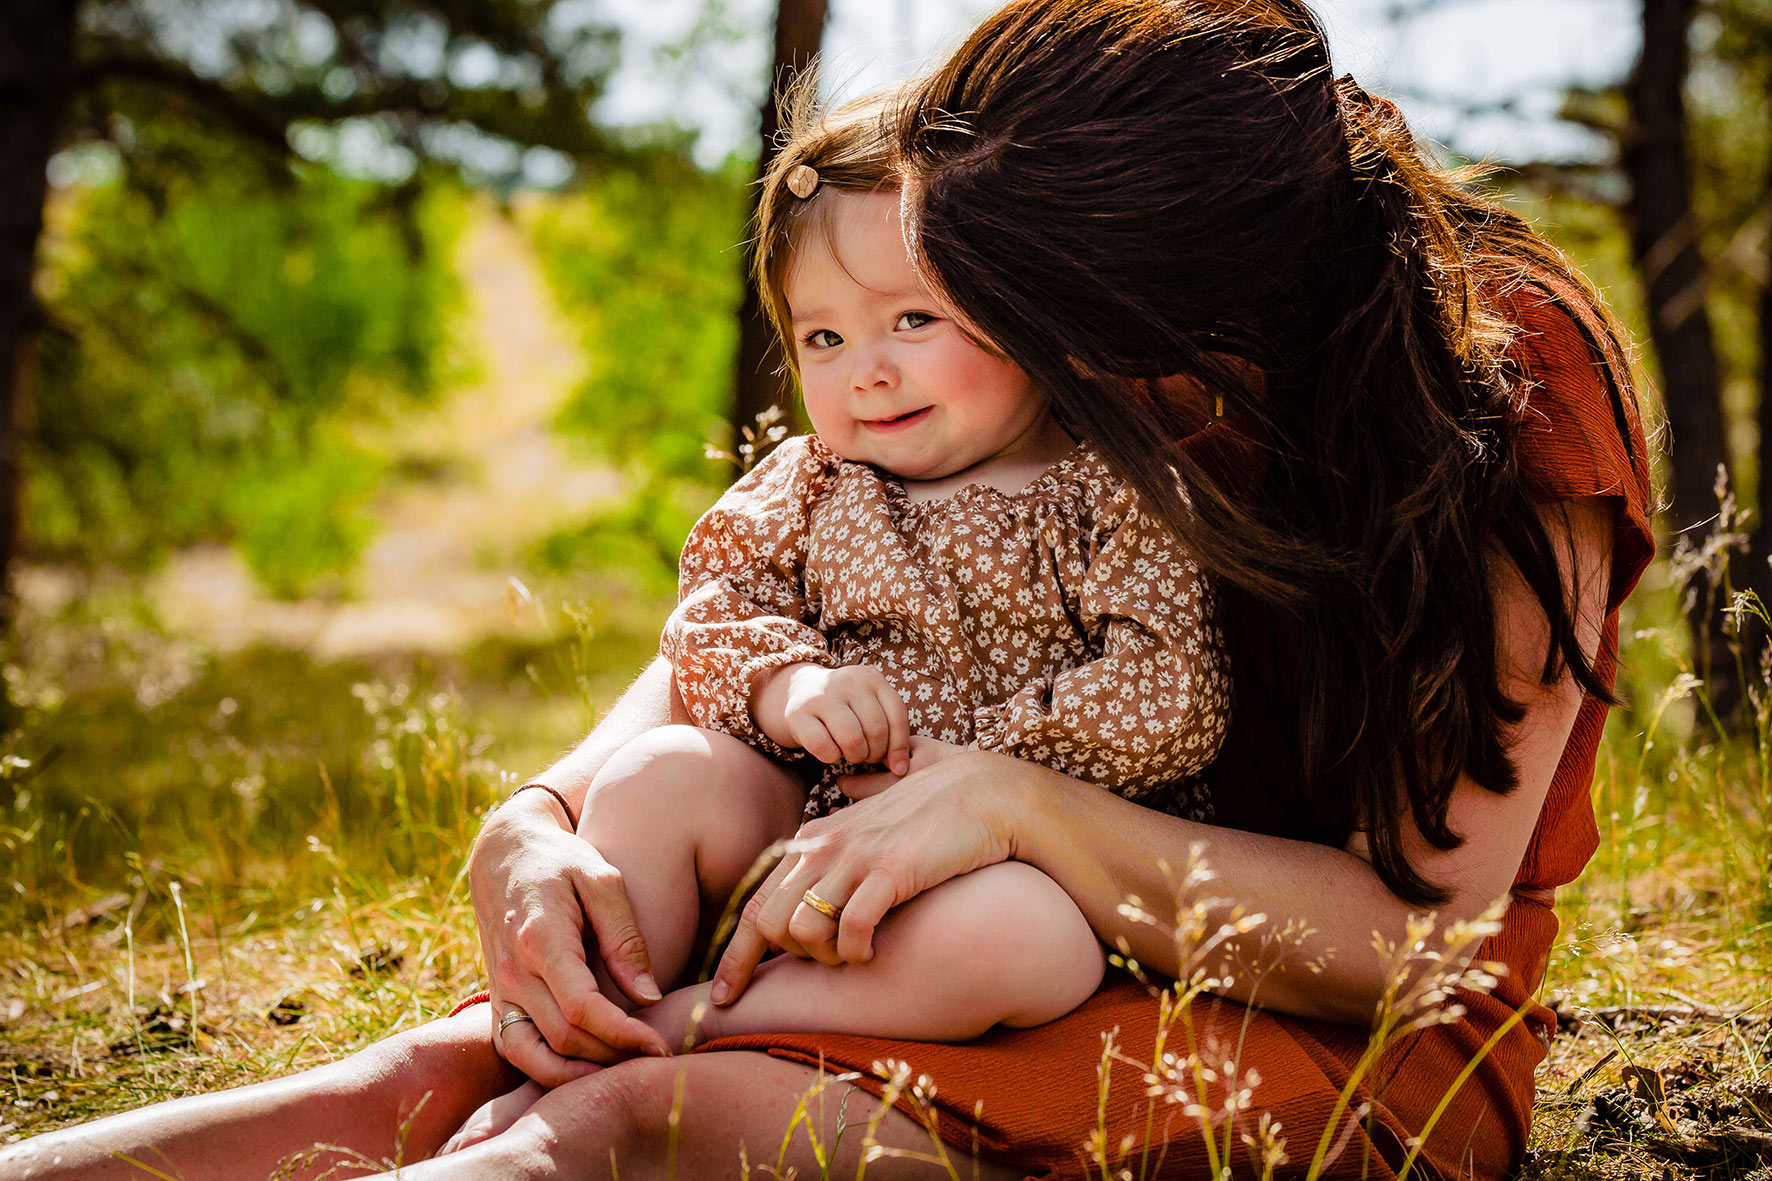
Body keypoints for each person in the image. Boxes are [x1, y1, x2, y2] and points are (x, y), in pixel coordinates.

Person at [0, 0, 1655, 1177]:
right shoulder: (1045, 252)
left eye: (1020, 319)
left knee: (619, 1121)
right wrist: (536, 815)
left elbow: (1417, 950)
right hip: (921, 900)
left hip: (1307, 1020)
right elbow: (773, 598)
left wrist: (1017, 808)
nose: (968, 352)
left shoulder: (1503, 402)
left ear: (1186, 304)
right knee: (447, 1066)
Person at [438, 93, 1229, 1153]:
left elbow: (1170, 695)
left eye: (912, 319)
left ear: (1029, 306)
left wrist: (967, 773)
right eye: (822, 335)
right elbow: (711, 608)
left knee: (1024, 941)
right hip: (798, 826)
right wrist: (787, 685)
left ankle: (685, 1028)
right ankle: (602, 998)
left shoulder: (1110, 487)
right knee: (653, 775)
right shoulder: (812, 483)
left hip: (999, 864)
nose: (866, 368)